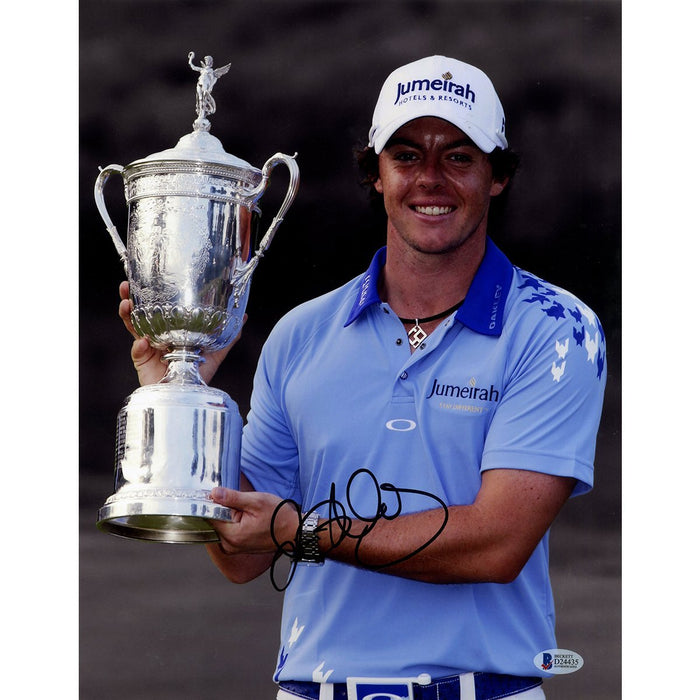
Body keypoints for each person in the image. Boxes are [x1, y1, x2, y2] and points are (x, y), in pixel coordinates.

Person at [120, 55, 606, 700]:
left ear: (498, 176)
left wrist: (302, 530)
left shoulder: (555, 328)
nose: (430, 179)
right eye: (406, 155)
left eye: (459, 157)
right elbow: (243, 555)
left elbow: (495, 545)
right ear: (375, 174)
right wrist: (182, 398)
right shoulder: (301, 333)